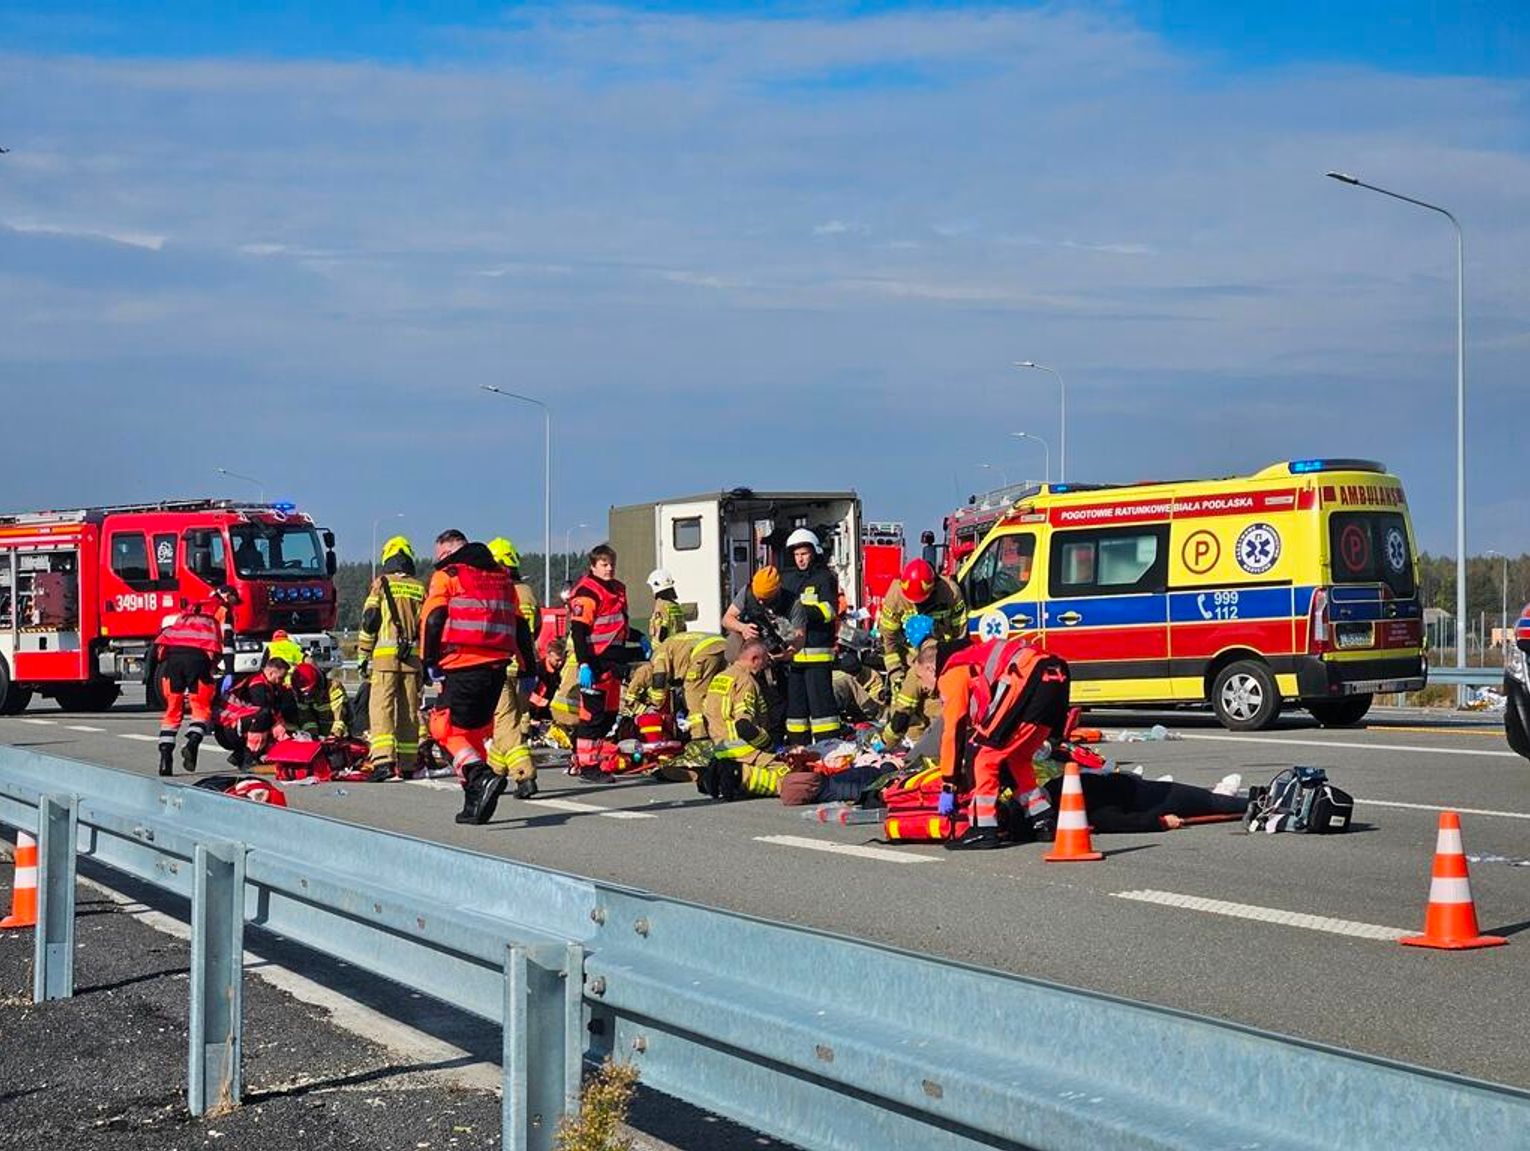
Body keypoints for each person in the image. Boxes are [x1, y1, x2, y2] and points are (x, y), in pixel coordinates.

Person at [421, 530, 534, 825]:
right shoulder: (502, 578)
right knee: (474, 735)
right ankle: (475, 804)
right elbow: (520, 627)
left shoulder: (449, 575)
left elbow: (433, 620)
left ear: (446, 553)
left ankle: (481, 777)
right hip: (497, 668)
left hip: (461, 664)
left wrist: (428, 662)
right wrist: (529, 668)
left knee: (444, 728)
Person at [916, 634, 1068, 850]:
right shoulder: (973, 656)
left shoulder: (951, 671)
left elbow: (953, 729)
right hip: (1055, 674)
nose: (923, 687)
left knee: (982, 752)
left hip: (1028, 675)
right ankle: (1042, 817)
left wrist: (949, 784)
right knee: (1016, 757)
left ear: (932, 669)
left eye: (920, 678)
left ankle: (983, 828)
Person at [357, 536, 426, 781]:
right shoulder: (420, 588)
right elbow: (427, 627)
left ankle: (384, 762)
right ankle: (408, 763)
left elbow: (369, 621)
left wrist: (363, 655)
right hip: (412, 660)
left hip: (385, 661)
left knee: (382, 710)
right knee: (408, 712)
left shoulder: (380, 584)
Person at [152, 585, 239, 776]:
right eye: (235, 600)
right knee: (201, 709)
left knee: (172, 712)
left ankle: (165, 759)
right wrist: (230, 671)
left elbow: (166, 640)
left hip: (173, 661)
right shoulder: (223, 610)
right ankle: (192, 743)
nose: (235, 605)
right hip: (198, 661)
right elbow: (228, 644)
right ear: (228, 596)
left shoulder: (190, 610)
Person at [878, 559, 967, 745]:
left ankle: (932, 753)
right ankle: (921, 753)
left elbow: (960, 637)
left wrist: (882, 744)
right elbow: (889, 640)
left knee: (936, 712)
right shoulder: (896, 595)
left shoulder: (950, 592)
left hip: (940, 662)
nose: (915, 604)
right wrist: (896, 674)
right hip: (910, 663)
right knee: (912, 717)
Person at [566, 544, 632, 775]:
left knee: (609, 715)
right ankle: (588, 766)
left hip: (613, 661)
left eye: (612, 564)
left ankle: (581, 755)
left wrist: (639, 637)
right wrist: (584, 664)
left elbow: (617, 624)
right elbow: (579, 631)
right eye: (604, 564)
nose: (609, 568)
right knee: (592, 716)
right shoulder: (587, 592)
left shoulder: (617, 589)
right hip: (594, 661)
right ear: (593, 566)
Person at [697, 640, 792, 800]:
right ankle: (738, 775)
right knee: (790, 779)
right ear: (755, 659)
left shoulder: (720, 677)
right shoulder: (746, 681)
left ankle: (723, 775)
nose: (766, 665)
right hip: (744, 750)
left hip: (722, 749)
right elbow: (744, 726)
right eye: (765, 661)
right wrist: (769, 746)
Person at [487, 537, 540, 798]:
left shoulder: (500, 591)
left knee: (505, 722)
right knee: (509, 723)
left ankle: (523, 775)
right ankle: (494, 772)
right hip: (526, 665)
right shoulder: (528, 592)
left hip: (503, 663)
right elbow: (536, 629)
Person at [778, 528, 840, 746]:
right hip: (793, 657)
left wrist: (802, 611)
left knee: (823, 712)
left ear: (813, 553)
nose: (800, 559)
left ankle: (829, 747)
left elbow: (830, 611)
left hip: (816, 655)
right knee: (796, 713)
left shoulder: (825, 578)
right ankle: (798, 750)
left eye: (804, 554)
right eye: (796, 555)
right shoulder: (787, 580)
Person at [1038, 771, 1246, 833]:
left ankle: (1255, 801)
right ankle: (1261, 802)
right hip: (1148, 798)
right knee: (1211, 801)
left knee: (1208, 800)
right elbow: (1123, 822)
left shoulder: (1063, 790)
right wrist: (1161, 822)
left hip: (1140, 791)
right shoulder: (1087, 808)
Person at [642, 630, 727, 736]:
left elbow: (660, 675)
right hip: (722, 645)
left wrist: (656, 702)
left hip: (703, 652)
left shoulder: (658, 654)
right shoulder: (673, 642)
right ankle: (722, 729)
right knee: (717, 691)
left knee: (693, 695)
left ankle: (699, 736)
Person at [225, 657, 300, 766]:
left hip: (241, 721)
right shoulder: (258, 685)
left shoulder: (270, 684)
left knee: (270, 716)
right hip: (232, 725)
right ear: (271, 672)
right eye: (280, 677)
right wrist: (284, 736)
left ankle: (239, 755)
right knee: (264, 716)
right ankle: (250, 755)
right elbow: (265, 711)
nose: (282, 681)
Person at [291, 661, 350, 739]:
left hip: (339, 733)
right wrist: (312, 736)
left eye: (309, 691)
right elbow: (306, 717)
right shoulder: (299, 693)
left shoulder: (333, 687)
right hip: (319, 734)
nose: (307, 695)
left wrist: (335, 734)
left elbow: (339, 715)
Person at [646, 568, 688, 644]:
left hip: (663, 649)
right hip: (676, 645)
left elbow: (663, 628)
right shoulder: (675, 605)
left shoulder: (661, 605)